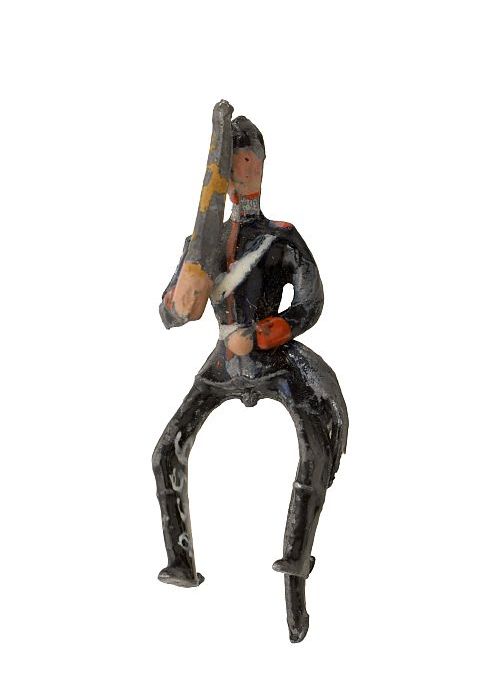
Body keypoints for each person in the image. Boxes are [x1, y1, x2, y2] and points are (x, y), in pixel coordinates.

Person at [152, 114, 348, 642]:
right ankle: (180, 560)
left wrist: (267, 333)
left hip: (273, 360)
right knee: (167, 450)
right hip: (223, 364)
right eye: (234, 160)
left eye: (249, 159)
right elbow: (172, 309)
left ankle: (295, 571)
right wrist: (178, 302)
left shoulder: (280, 237)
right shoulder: (202, 245)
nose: (243, 169)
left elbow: (310, 300)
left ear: (261, 165)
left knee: (314, 448)